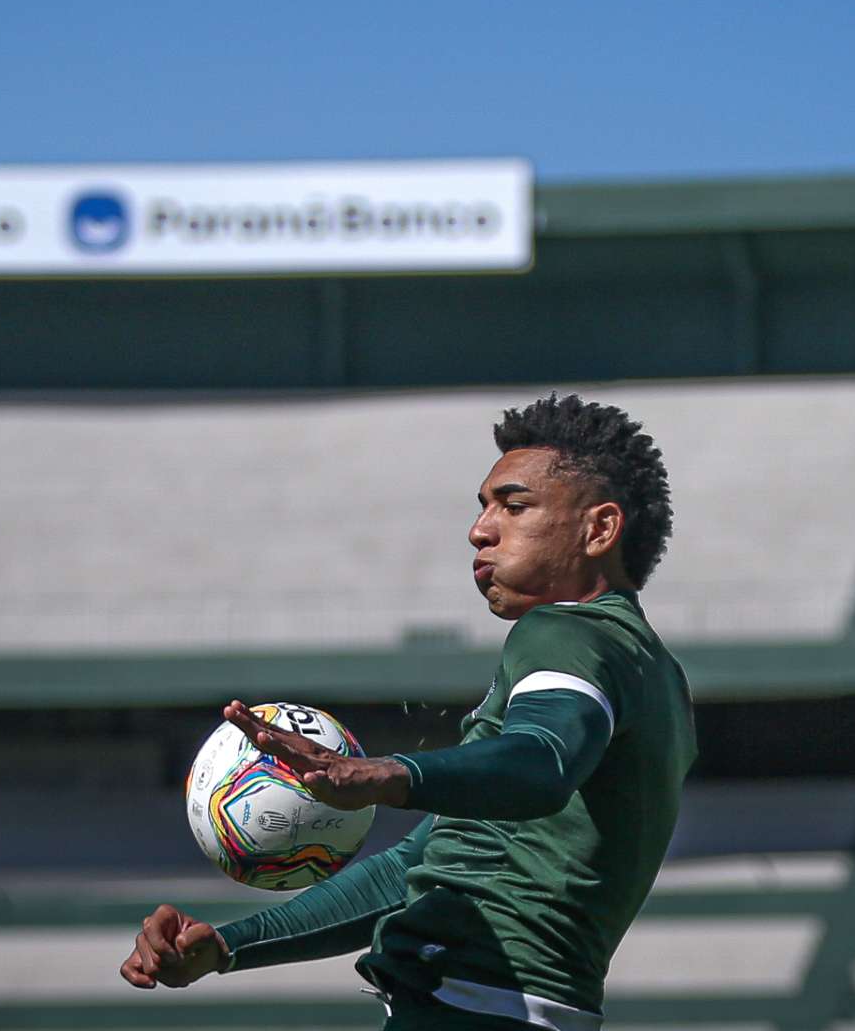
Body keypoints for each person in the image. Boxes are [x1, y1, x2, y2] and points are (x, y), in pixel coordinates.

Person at [121, 393, 697, 1031]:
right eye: (482, 508)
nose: (480, 529)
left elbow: (545, 761)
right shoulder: (647, 671)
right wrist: (230, 946)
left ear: (599, 530)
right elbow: (413, 871)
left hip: (479, 1008)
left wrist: (386, 774)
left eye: (514, 505)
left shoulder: (568, 636)